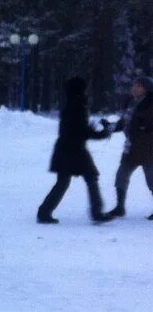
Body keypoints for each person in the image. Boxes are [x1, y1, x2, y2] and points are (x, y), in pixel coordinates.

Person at [37, 76, 113, 224]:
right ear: (81, 89)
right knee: (91, 177)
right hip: (75, 150)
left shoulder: (72, 103)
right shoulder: (78, 105)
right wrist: (102, 133)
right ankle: (96, 212)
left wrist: (91, 130)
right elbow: (82, 131)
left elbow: (77, 129)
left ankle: (44, 212)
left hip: (66, 149)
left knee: (64, 182)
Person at [105, 75, 153, 220]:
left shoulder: (151, 104)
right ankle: (120, 208)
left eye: (138, 86)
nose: (134, 88)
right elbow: (125, 122)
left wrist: (145, 127)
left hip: (148, 149)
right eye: (134, 85)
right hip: (131, 148)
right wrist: (110, 126)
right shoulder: (132, 103)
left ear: (146, 89)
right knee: (121, 176)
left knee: (152, 180)